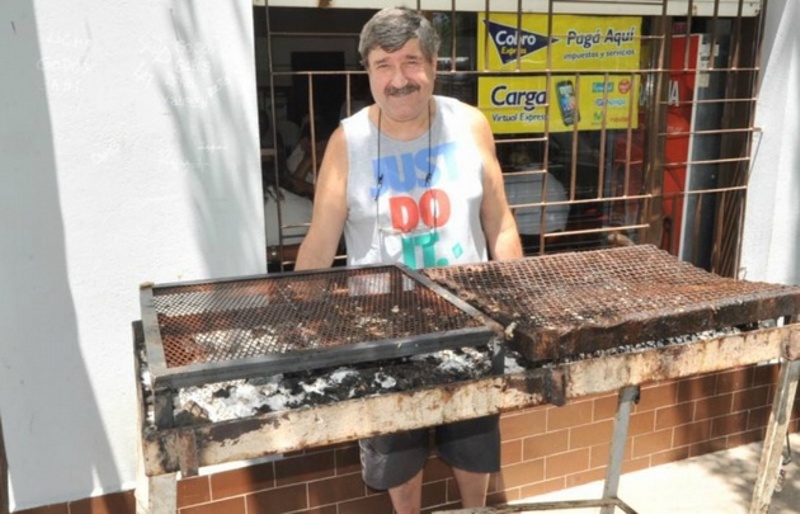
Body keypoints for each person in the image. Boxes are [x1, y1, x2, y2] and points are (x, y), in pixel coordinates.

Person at [294, 7, 522, 513]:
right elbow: (318, 243)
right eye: (383, 65)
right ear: (368, 72)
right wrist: (297, 322)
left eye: (411, 62)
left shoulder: (470, 125)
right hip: (382, 333)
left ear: (434, 66)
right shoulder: (347, 142)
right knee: (397, 451)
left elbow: (500, 223)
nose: (399, 79)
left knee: (475, 437)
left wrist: (515, 308)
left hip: (469, 320)